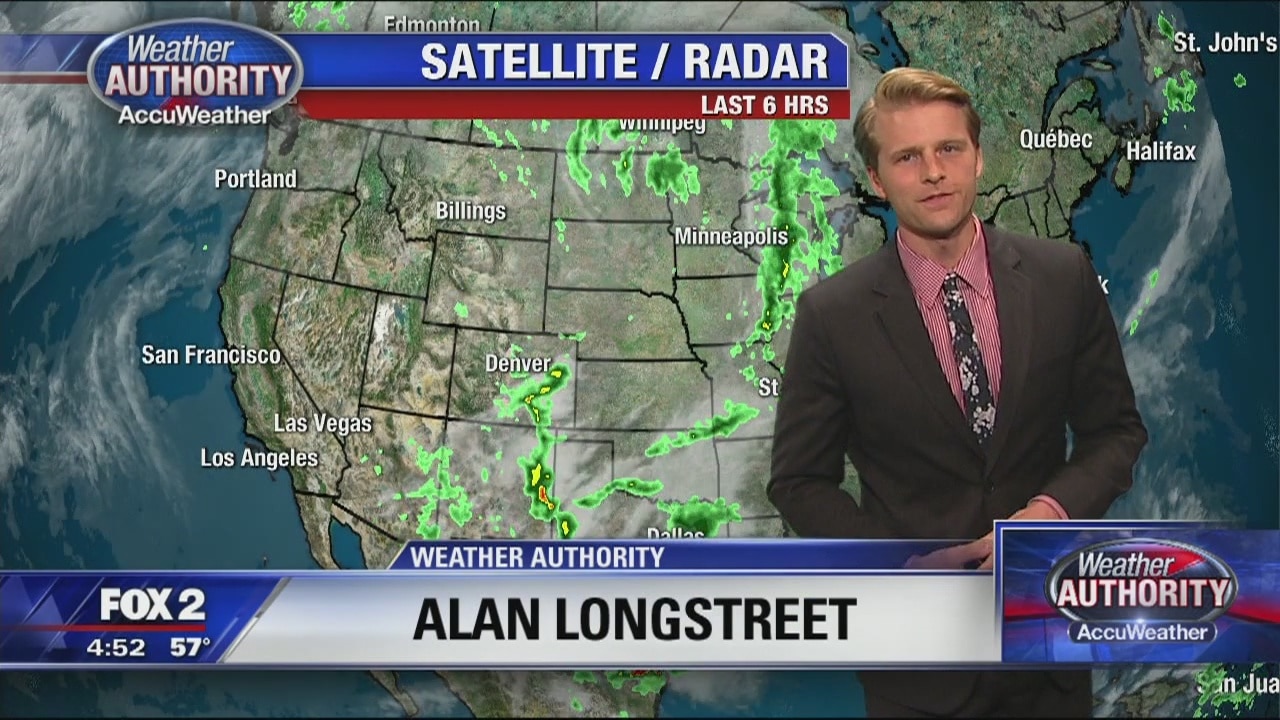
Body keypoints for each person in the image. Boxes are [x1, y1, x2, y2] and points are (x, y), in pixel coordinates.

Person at [767, 67, 1149, 717]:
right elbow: (798, 482)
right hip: (919, 670)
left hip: (1045, 650)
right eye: (907, 158)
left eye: (948, 149)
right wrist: (900, 565)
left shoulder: (1062, 277)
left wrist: (1049, 513)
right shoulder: (833, 316)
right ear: (877, 180)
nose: (934, 172)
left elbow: (1115, 432)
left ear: (977, 157)